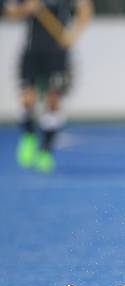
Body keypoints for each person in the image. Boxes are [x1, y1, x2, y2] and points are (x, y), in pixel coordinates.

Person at [4, 0, 93, 173]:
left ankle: (45, 150)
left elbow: (86, 9)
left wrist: (73, 34)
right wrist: (26, 8)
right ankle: (29, 134)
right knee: (27, 99)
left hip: (57, 53)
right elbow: (9, 12)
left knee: (53, 102)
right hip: (32, 52)